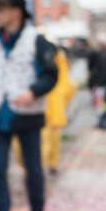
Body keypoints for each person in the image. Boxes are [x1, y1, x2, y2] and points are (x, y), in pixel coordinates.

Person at [0, 0, 58, 211]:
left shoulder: (37, 41)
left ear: (16, 12)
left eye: (0, 9)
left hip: (27, 115)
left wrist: (33, 92)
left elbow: (51, 75)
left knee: (32, 169)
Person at [42, 47, 76, 175]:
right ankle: (52, 163)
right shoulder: (62, 63)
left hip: (45, 105)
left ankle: (43, 164)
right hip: (56, 105)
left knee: (45, 139)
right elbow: (69, 87)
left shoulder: (44, 61)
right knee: (54, 138)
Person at [86, 41, 106, 130]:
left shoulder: (97, 56)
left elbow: (94, 71)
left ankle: (103, 123)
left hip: (100, 84)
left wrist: (93, 84)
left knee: (101, 104)